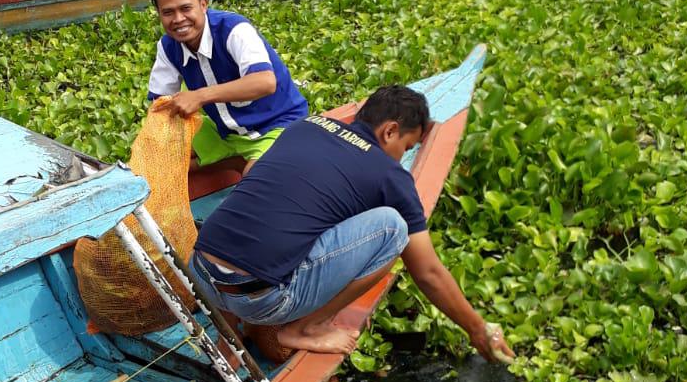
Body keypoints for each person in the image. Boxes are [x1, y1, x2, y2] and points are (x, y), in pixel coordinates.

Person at [190, 86, 515, 362]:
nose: (403, 156)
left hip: (199, 272)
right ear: (389, 131)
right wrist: (476, 328)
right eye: (406, 147)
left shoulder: (305, 127)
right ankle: (306, 328)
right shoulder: (390, 176)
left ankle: (228, 335)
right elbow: (428, 272)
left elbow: (265, 177)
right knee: (393, 228)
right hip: (261, 302)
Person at [147, 0, 307, 170]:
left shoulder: (234, 29)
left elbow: (265, 82)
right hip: (224, 131)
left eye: (186, 8)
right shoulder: (168, 46)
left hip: (279, 126)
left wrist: (200, 96)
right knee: (160, 165)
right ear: (159, 14)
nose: (178, 19)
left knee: (256, 182)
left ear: (203, 4)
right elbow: (159, 104)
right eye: (168, 12)